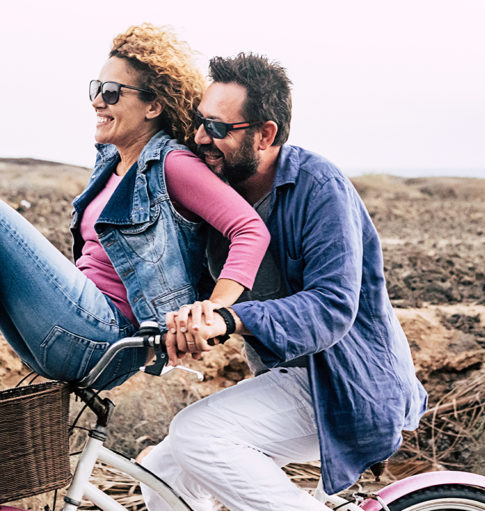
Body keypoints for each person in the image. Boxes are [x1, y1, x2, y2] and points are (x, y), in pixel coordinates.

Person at [0, 25, 269, 419]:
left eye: (112, 92)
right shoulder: (110, 163)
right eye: (95, 88)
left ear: (153, 107)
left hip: (108, 338)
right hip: (76, 328)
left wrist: (212, 311)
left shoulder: (172, 164)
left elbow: (249, 229)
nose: (98, 101)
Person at [141, 53, 428, 511]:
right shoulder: (219, 195)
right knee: (162, 474)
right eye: (199, 122)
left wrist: (229, 318)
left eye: (217, 128)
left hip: (346, 383)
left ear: (265, 133)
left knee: (199, 433)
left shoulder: (319, 186)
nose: (199, 139)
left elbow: (331, 307)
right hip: (289, 380)